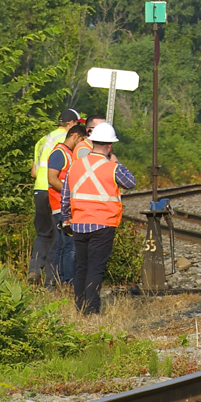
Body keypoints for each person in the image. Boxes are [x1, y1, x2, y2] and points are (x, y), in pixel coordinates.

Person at [62, 122, 136, 314]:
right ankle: (92, 310)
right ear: (110, 146)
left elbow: (65, 195)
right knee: (95, 269)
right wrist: (116, 161)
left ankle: (80, 307)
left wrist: (67, 218)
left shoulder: (75, 166)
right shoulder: (112, 167)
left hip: (79, 224)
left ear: (92, 141)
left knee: (81, 268)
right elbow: (131, 182)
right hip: (103, 225)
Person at [28, 109, 78, 284]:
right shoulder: (67, 142)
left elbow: (34, 172)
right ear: (71, 124)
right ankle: (52, 278)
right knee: (58, 237)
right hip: (55, 191)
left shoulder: (43, 140)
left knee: (43, 234)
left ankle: (34, 270)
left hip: (39, 191)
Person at [45, 122, 88, 287]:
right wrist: (69, 193)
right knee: (69, 246)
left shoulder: (68, 153)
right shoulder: (60, 153)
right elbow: (52, 178)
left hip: (64, 205)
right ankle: (68, 281)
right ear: (75, 136)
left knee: (64, 245)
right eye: (82, 140)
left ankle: (58, 280)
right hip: (59, 205)